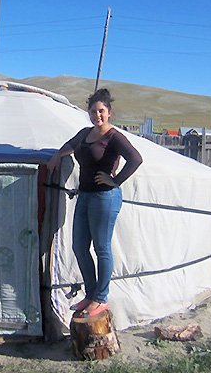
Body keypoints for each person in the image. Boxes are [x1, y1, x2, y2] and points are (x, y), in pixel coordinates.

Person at [46, 88, 142, 317]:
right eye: (93, 111)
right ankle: (90, 294)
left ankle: (101, 298)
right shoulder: (85, 133)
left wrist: (114, 180)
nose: (97, 115)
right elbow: (69, 146)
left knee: (101, 248)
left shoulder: (114, 137)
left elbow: (136, 159)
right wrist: (56, 156)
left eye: (101, 111)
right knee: (79, 246)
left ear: (109, 112)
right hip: (85, 195)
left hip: (105, 197)